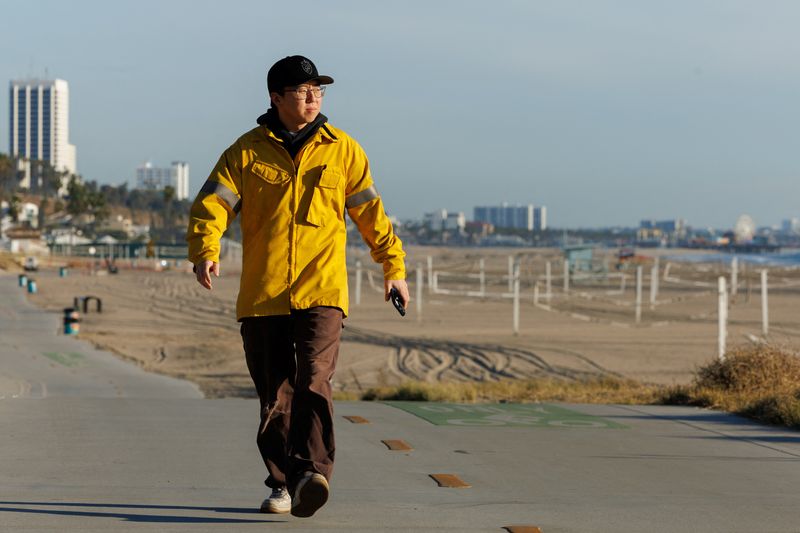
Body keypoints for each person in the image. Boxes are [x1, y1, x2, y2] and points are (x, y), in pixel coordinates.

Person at [186, 55, 409, 518]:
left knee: (314, 379)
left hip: (323, 289)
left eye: (319, 91)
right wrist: (204, 249)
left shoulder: (342, 149)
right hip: (264, 292)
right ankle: (282, 482)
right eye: (303, 91)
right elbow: (212, 204)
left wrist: (394, 266)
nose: (313, 98)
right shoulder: (245, 151)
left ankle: (312, 474)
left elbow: (370, 214)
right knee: (275, 393)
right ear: (275, 97)